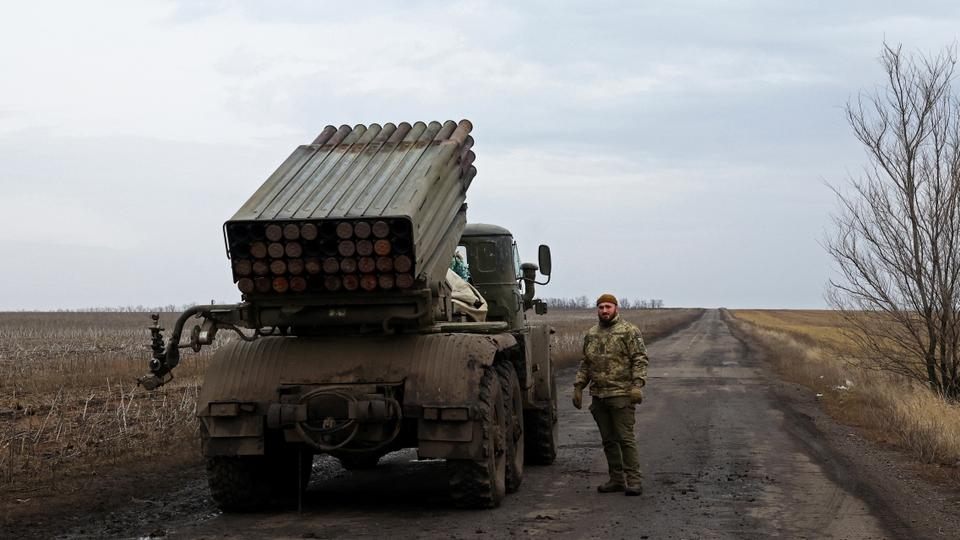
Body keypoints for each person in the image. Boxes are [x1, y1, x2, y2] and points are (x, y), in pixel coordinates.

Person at [572, 293, 648, 496]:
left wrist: (637, 385)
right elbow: (586, 363)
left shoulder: (628, 331)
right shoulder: (591, 334)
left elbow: (640, 359)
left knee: (625, 438)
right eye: (601, 307)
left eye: (608, 307)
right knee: (608, 440)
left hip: (621, 394)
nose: (604, 311)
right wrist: (578, 386)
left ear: (616, 308)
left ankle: (634, 480)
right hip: (599, 395)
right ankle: (616, 479)